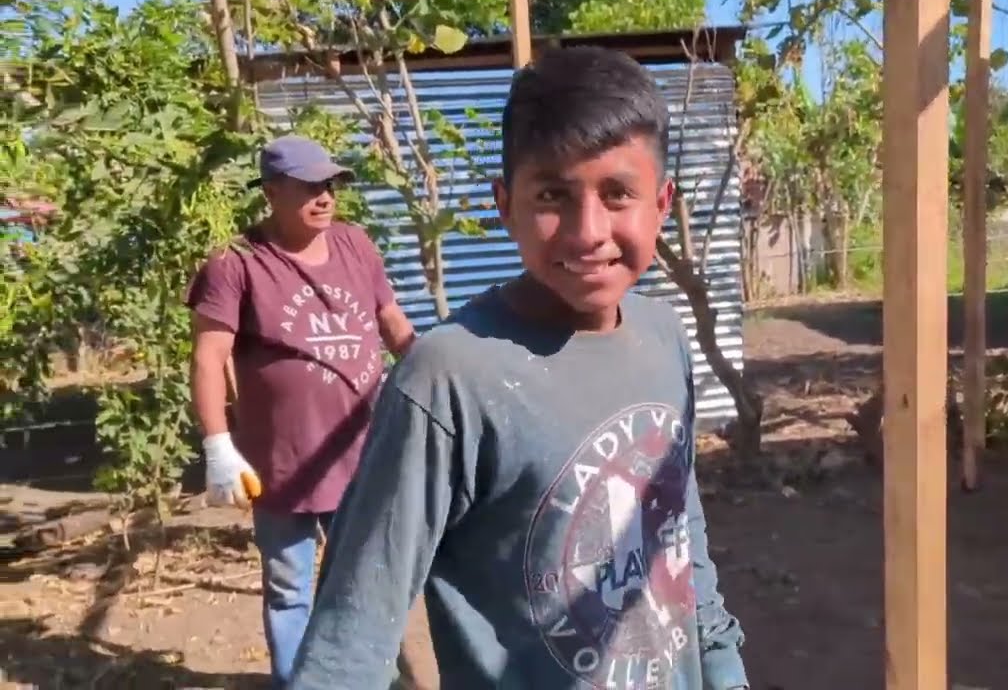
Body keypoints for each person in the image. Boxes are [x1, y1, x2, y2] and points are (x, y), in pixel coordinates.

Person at [288, 46, 749, 689]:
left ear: (663, 201)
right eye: (553, 194)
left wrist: (724, 672)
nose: (588, 231)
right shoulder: (448, 378)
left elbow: (680, 533)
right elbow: (353, 633)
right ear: (504, 204)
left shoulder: (662, 336)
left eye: (619, 193)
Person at [184, 135, 420, 688]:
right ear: (271, 192)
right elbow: (208, 356)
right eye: (309, 187)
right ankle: (300, 683)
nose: (324, 197)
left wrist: (433, 371)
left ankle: (366, 678)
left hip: (362, 452)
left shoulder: (355, 245)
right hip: (281, 461)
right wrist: (218, 445)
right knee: (290, 588)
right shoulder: (236, 262)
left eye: (330, 185)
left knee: (364, 580)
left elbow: (391, 322)